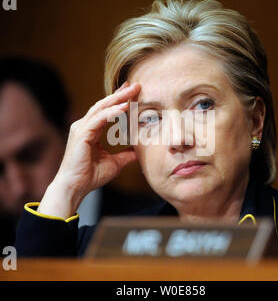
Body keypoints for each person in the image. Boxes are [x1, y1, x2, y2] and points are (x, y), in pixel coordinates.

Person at [15, 0, 278, 259]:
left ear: (254, 121)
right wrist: (66, 186)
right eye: (149, 118)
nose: (178, 139)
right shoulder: (105, 250)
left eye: (202, 104)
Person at [0, 57, 159, 250]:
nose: (18, 187)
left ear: (69, 128)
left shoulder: (155, 224)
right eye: (0, 170)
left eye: (31, 155)